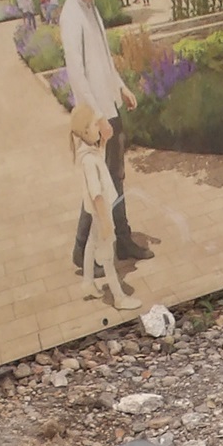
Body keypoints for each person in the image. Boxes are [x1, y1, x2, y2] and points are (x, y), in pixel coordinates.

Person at [61, 0, 150, 272]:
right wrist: (98, 117)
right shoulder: (71, 15)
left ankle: (123, 240)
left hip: (109, 105)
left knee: (116, 177)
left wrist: (121, 87)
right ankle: (80, 250)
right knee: (96, 183)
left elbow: (101, 59)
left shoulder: (91, 8)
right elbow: (77, 74)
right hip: (94, 116)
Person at [69, 104, 140, 310]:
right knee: (108, 256)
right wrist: (106, 222)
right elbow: (97, 194)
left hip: (94, 211)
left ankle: (88, 282)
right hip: (101, 211)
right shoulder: (89, 161)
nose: (99, 128)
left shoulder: (87, 151)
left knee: (91, 243)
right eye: (94, 125)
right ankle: (119, 297)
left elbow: (99, 156)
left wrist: (105, 141)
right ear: (85, 131)